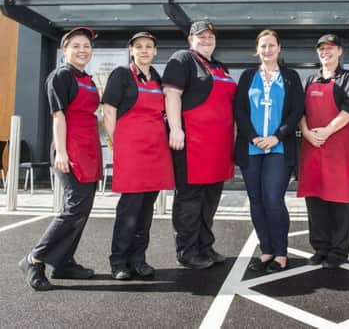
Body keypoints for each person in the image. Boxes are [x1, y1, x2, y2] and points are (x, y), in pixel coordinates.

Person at [19, 27, 102, 291]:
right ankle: (34, 259)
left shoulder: (87, 78)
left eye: (87, 46)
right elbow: (59, 117)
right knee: (73, 210)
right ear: (65, 50)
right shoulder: (61, 76)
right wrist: (63, 153)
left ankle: (64, 262)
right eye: (76, 45)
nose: (82, 50)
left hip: (90, 149)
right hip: (72, 149)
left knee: (83, 209)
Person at [162, 21, 236, 270]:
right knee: (190, 200)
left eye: (210, 36)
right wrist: (176, 129)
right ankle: (187, 250)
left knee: (210, 199)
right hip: (192, 143)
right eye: (200, 36)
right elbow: (172, 94)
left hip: (218, 146)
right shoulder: (182, 59)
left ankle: (205, 245)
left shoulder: (219, 66)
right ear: (190, 39)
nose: (206, 40)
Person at [102, 32, 175, 280]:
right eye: (139, 47)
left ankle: (138, 259)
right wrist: (118, 144)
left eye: (149, 47)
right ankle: (119, 261)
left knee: (146, 210)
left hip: (155, 152)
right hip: (131, 151)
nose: (144, 50)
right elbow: (109, 111)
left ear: (155, 51)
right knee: (129, 209)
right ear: (131, 50)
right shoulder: (122, 74)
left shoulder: (157, 78)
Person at [234, 29, 303, 273]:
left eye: (271, 45)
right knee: (256, 200)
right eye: (263, 46)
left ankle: (281, 253)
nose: (267, 50)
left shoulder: (291, 76)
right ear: (257, 50)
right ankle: (266, 251)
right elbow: (239, 111)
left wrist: (276, 136)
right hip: (251, 147)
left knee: (273, 199)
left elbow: (297, 111)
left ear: (279, 48)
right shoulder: (247, 76)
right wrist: (253, 137)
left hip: (279, 147)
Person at [297, 34, 349, 269]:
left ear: (339, 52)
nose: (326, 53)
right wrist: (306, 132)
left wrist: (326, 131)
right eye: (322, 49)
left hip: (338, 149)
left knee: (338, 202)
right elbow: (300, 112)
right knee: (315, 203)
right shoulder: (310, 80)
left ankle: (338, 251)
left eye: (330, 48)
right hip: (311, 147)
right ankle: (320, 248)